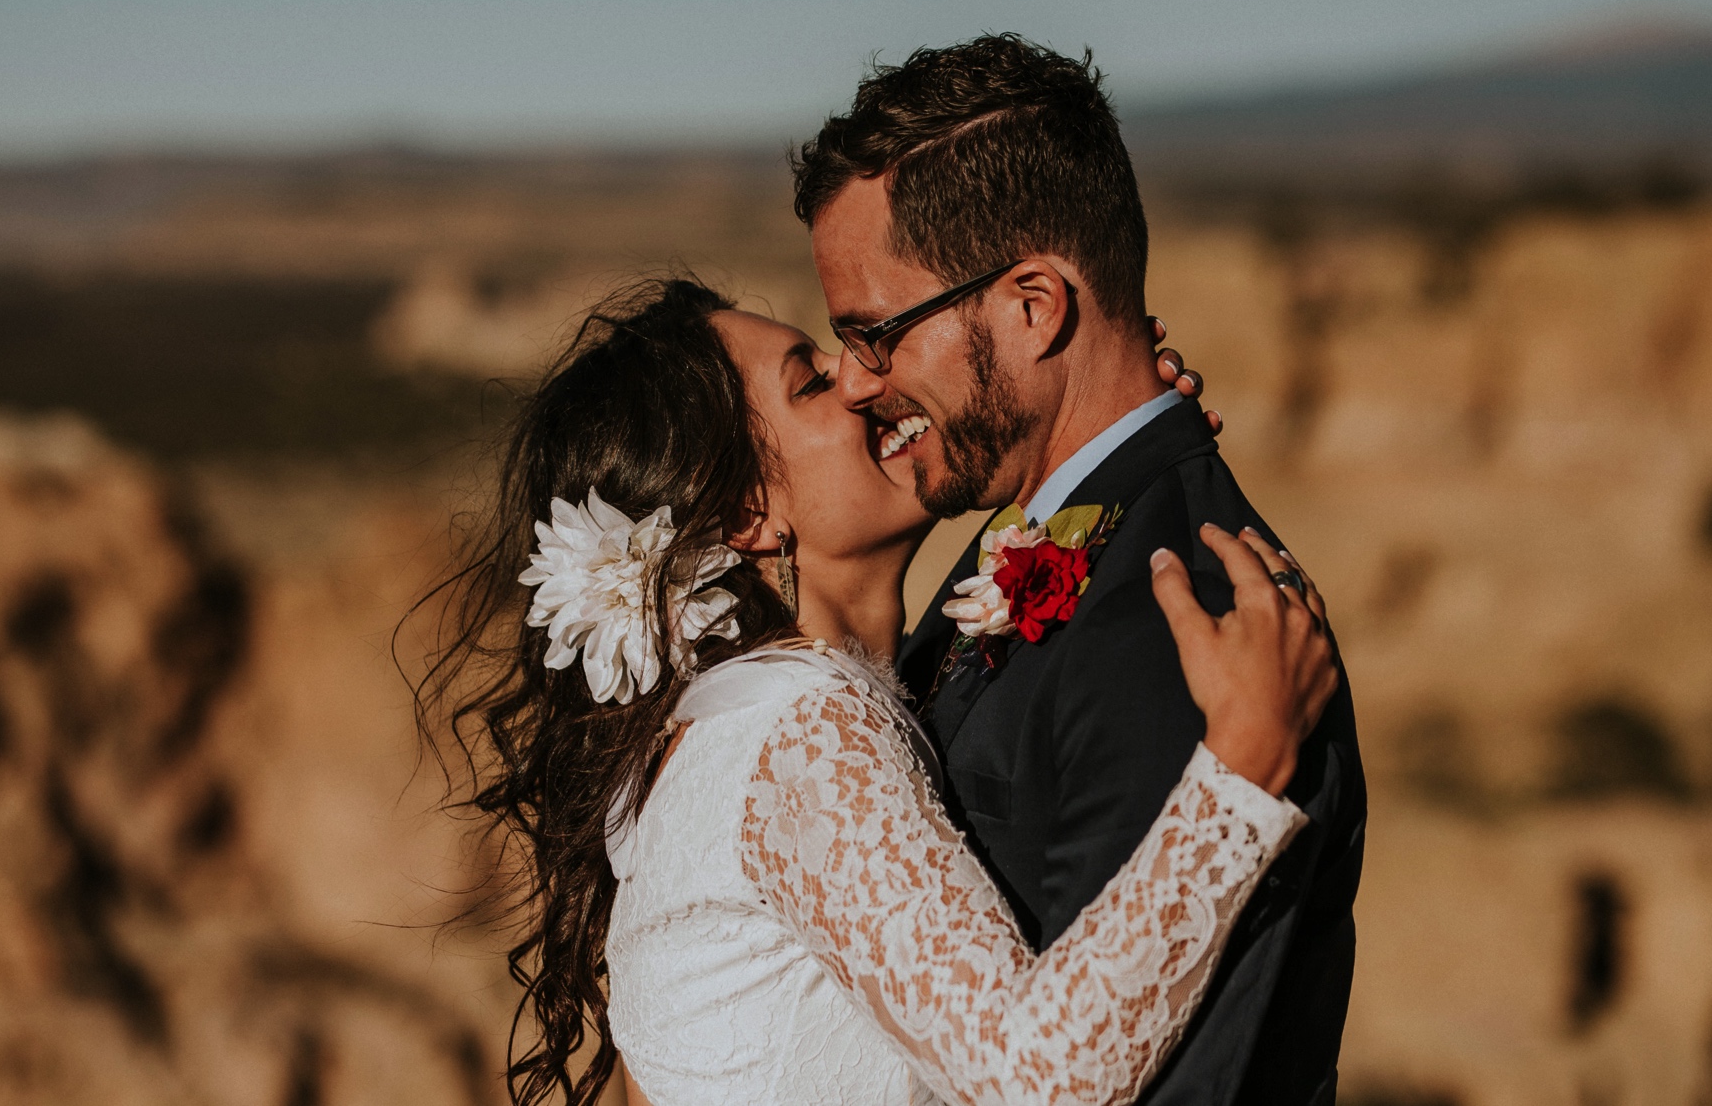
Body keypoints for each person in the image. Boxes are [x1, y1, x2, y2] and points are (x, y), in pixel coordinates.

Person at [424, 277, 1337, 1106]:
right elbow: (1038, 1077)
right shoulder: (800, 733)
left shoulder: (740, 722)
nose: (864, 378)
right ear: (750, 512)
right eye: (812, 383)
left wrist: (1102, 427)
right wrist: (1243, 769)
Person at [796, 34, 1368, 1104]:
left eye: (872, 333)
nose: (850, 381)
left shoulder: (1183, 629)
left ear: (1033, 306)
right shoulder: (1060, 523)